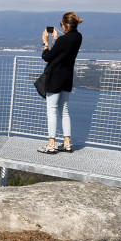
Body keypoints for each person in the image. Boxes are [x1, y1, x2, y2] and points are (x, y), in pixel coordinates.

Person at [38, 12, 83, 153]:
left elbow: (47, 57)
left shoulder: (64, 40)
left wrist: (46, 43)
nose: (61, 27)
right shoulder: (78, 37)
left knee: (52, 110)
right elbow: (64, 51)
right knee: (64, 111)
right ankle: (67, 143)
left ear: (66, 24)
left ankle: (51, 144)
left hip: (55, 78)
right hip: (67, 78)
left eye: (61, 24)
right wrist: (57, 39)